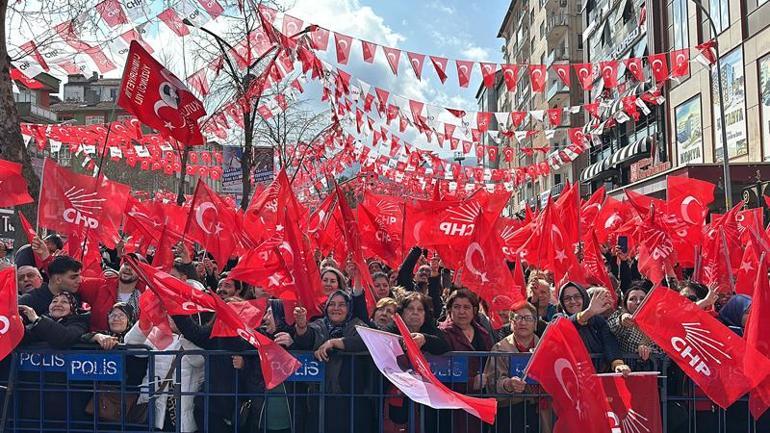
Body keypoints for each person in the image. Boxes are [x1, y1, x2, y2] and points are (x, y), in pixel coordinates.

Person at [293, 290, 371, 433]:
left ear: (349, 308)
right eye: (332, 304)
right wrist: (302, 327)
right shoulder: (319, 325)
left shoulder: (357, 325)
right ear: (326, 307)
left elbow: (365, 340)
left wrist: (334, 342)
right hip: (320, 397)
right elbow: (307, 339)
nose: (336, 308)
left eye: (341, 305)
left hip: (350, 399)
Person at [125, 317, 204, 433]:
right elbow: (132, 347)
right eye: (170, 316)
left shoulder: (196, 336)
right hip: (155, 401)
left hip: (183, 405)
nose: (172, 319)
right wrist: (144, 322)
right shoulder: (158, 333)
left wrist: (184, 335)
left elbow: (199, 360)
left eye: (177, 317)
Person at [438, 288, 493, 433]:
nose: (462, 312)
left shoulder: (483, 333)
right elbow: (440, 370)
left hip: (479, 400)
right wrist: (470, 382)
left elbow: (490, 362)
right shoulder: (442, 334)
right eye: (457, 307)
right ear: (449, 310)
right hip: (452, 403)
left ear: (474, 310)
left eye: (466, 307)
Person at [483, 301, 541, 433]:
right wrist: (508, 384)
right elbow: (492, 383)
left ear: (535, 324)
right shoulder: (499, 348)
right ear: (511, 324)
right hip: (509, 411)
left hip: (538, 410)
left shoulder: (544, 348)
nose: (523, 322)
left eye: (528, 318)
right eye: (517, 318)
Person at [558, 282, 631, 374]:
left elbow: (609, 341)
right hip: (569, 376)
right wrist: (588, 312)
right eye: (567, 298)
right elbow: (566, 325)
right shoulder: (558, 318)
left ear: (584, 298)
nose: (573, 301)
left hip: (597, 375)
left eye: (577, 297)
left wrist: (617, 364)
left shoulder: (597, 321)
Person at [607, 283, 657, 369]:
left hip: (652, 373)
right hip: (627, 370)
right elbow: (612, 328)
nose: (638, 302)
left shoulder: (656, 322)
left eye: (642, 299)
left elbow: (664, 350)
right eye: (632, 299)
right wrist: (621, 320)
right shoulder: (619, 316)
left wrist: (649, 350)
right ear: (625, 303)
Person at [19, 292, 89, 349]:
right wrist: (18, 324)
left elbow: (64, 337)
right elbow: (26, 337)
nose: (57, 304)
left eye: (64, 302)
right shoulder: (40, 323)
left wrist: (37, 320)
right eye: (54, 301)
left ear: (72, 308)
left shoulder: (79, 322)